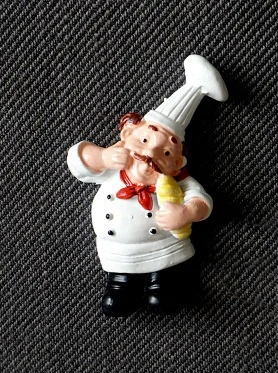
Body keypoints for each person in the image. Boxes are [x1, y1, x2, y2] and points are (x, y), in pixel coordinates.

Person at [67, 55, 228, 316]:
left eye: (165, 153)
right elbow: (78, 160)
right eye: (144, 141)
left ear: (177, 163)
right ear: (127, 135)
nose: (150, 153)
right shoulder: (114, 166)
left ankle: (161, 286)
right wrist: (102, 156)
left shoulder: (177, 182)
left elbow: (202, 202)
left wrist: (187, 212)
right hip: (117, 251)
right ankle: (120, 287)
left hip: (164, 249)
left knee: (162, 293)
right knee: (118, 293)